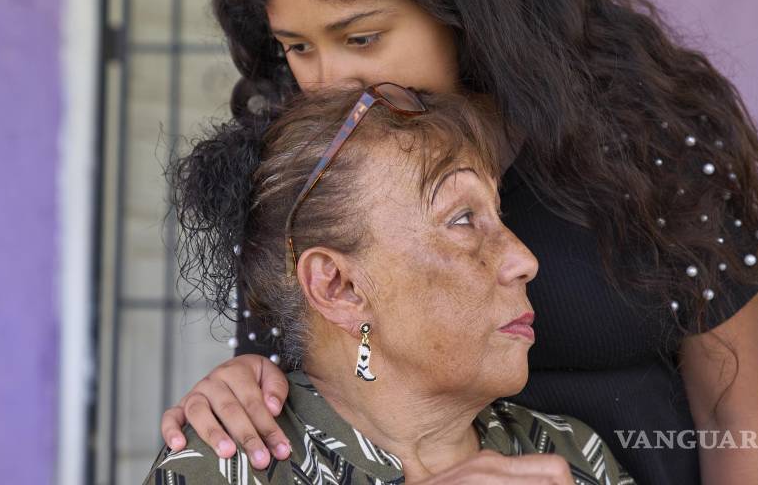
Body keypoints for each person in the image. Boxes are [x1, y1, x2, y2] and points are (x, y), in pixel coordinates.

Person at [158, 0, 758, 483]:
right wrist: (248, 386)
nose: (331, 81)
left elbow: (731, 414)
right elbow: (313, 376)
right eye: (298, 47)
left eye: (362, 37)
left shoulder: (649, 133)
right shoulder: (305, 159)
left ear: (457, 3)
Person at [145, 85, 635, 484]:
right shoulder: (231, 462)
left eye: (497, 215)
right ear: (340, 287)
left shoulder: (573, 458)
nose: (523, 259)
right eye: (462, 219)